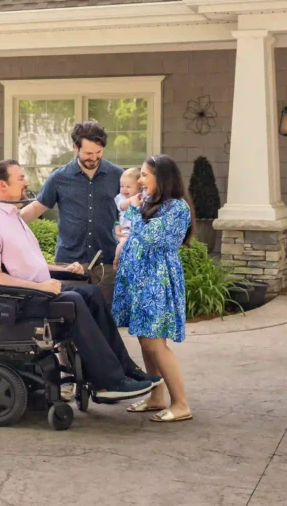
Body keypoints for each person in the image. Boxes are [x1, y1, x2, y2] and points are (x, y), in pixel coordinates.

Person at [0, 159, 162, 401]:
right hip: (20, 299)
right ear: (2, 184)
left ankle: (128, 370)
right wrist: (39, 286)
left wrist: (61, 268)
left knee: (92, 294)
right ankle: (108, 382)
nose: (26, 182)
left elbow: (29, 264)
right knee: (73, 300)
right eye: (20, 178)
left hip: (39, 291)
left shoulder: (13, 218)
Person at [112, 155, 194, 423]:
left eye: (145, 175)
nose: (139, 181)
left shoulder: (176, 208)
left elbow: (151, 238)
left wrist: (133, 212)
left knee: (155, 343)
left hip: (156, 282)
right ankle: (157, 396)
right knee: (145, 340)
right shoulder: (149, 202)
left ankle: (181, 403)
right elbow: (130, 230)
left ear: (162, 178)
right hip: (139, 280)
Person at [21, 121, 123, 303]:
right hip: (69, 264)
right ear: (75, 147)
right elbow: (37, 207)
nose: (94, 158)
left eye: (98, 152)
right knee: (70, 319)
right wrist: (4, 223)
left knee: (106, 323)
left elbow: (132, 211)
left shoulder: (117, 175)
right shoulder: (60, 177)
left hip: (106, 263)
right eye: (88, 153)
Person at [114, 167, 142, 242]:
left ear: (139, 188)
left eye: (128, 187)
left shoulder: (142, 196)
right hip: (125, 228)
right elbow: (121, 206)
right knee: (123, 243)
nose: (124, 189)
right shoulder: (121, 197)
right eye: (122, 186)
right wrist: (131, 200)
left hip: (139, 230)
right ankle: (117, 254)